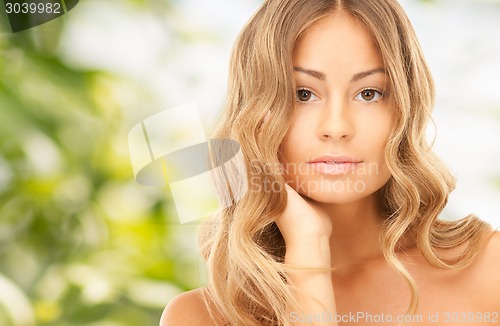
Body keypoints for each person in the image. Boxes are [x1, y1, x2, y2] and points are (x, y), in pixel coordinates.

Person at [160, 0, 500, 325]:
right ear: (254, 114)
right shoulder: (201, 317)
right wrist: (307, 247)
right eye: (302, 94)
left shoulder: (489, 270)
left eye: (369, 93)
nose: (336, 127)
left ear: (406, 108)